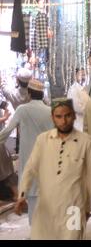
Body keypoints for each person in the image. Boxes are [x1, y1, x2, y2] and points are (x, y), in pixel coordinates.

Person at [14, 98, 91, 239]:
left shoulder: (86, 141)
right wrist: (22, 195)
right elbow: (30, 168)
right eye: (58, 116)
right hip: (46, 207)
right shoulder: (43, 140)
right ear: (52, 117)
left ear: (74, 116)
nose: (63, 121)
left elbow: (90, 177)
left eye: (68, 115)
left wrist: (87, 207)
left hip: (74, 208)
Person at [0, 79, 53, 224]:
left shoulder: (22, 110)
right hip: (47, 157)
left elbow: (6, 132)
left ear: (29, 93)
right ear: (42, 94)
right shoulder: (49, 111)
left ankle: (36, 230)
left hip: (29, 158)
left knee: (31, 194)